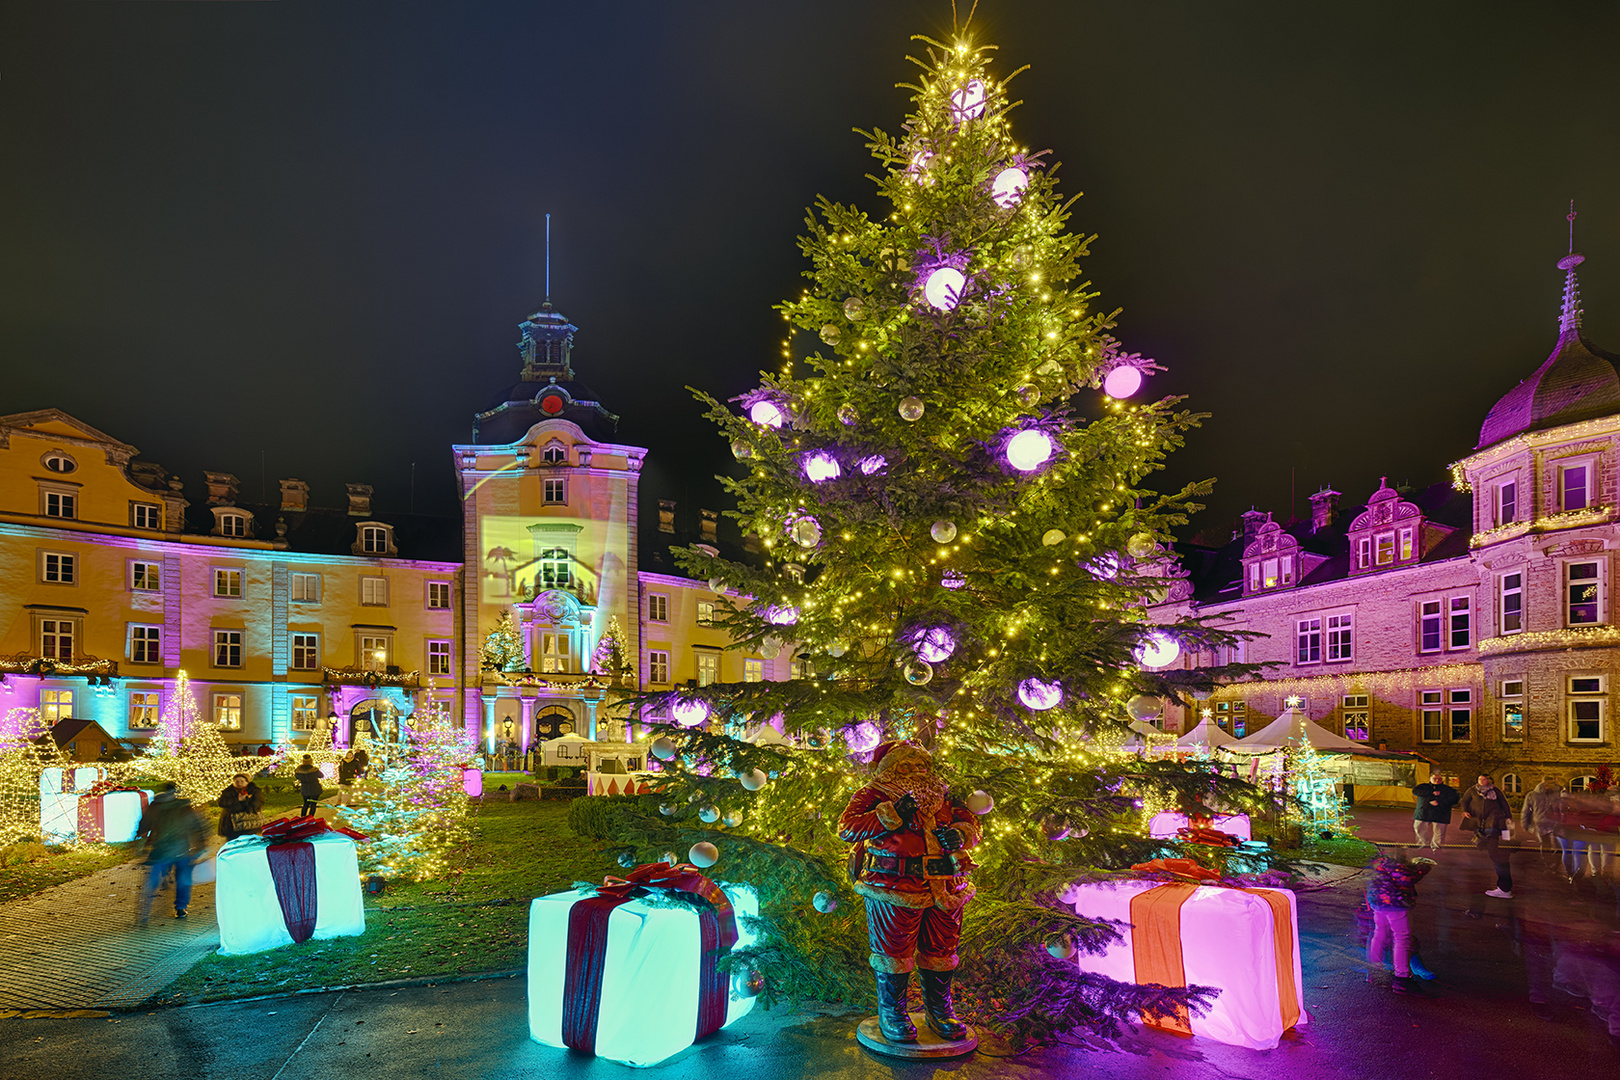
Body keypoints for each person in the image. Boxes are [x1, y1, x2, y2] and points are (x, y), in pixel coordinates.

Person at [839, 741, 981, 1044]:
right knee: (893, 953)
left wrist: (961, 834)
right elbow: (847, 828)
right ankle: (892, 1012)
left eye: (922, 766)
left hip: (945, 884)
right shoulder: (873, 793)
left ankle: (940, 1011)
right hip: (895, 885)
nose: (917, 771)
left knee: (942, 951)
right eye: (907, 765)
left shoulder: (944, 794)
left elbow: (971, 822)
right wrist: (890, 814)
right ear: (890, 768)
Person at [135, 782, 207, 924]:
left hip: (160, 850)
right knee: (183, 880)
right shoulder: (185, 807)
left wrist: (138, 841)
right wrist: (201, 845)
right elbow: (197, 826)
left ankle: (144, 912)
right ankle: (180, 907)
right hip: (182, 850)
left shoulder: (155, 806)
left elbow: (144, 824)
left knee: (152, 881)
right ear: (175, 792)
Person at [1365, 852, 1436, 994]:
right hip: (1394, 905)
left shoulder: (1379, 863)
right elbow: (1407, 879)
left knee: (1379, 935)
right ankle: (1402, 978)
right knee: (1402, 939)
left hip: (1378, 903)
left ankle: (1375, 971)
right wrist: (1423, 868)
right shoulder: (1397, 867)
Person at [1460, 774, 1514, 898]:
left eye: (1484, 779)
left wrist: (1508, 815)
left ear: (1489, 780)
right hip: (1478, 821)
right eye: (1480, 779)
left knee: (1495, 853)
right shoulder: (1473, 790)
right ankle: (1504, 888)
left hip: (1493, 820)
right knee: (1484, 843)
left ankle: (1504, 889)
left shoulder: (1495, 791)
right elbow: (1464, 801)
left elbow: (1503, 802)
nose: (1482, 781)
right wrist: (1464, 810)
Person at [1411, 771, 1459, 850]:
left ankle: (1436, 848)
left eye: (1439, 778)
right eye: (1434, 778)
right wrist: (1431, 794)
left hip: (1441, 813)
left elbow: (1455, 799)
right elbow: (1415, 791)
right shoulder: (1423, 787)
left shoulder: (1448, 789)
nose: (1437, 780)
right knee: (1418, 827)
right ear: (1430, 779)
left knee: (1439, 833)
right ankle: (1424, 844)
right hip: (1424, 812)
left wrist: (1440, 803)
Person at [1521, 779, 1563, 859]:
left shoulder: (1533, 795)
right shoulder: (1533, 795)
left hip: (1545, 822)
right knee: (1549, 844)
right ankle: (1550, 863)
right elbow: (1526, 811)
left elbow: (1526, 811)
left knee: (1549, 844)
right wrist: (1525, 824)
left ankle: (1550, 862)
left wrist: (1525, 824)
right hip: (1545, 823)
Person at [217, 772, 264, 840]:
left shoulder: (254, 791)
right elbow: (221, 803)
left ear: (247, 782)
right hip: (232, 826)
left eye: (242, 781)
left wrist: (246, 800)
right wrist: (238, 799)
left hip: (250, 824)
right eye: (236, 781)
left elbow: (257, 804)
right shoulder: (227, 791)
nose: (239, 783)